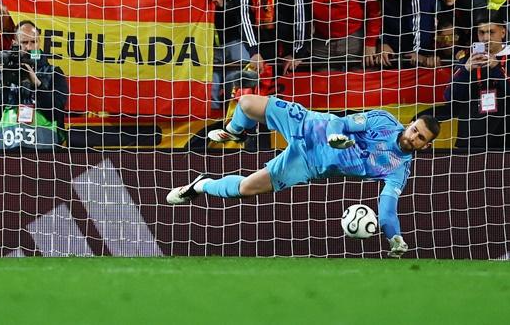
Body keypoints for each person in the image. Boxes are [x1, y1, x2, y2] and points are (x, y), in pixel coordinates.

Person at [168, 93, 440, 259]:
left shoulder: (398, 169)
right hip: (309, 125)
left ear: (425, 145)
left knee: (246, 188)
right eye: (414, 129)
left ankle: (201, 185)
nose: (413, 136)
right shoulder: (384, 121)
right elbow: (340, 122)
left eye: (420, 138)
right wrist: (336, 136)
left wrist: (394, 237)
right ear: (409, 124)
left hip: (307, 164)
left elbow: (388, 209)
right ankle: (236, 130)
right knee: (247, 103)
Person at [436, 9, 510, 151]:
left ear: (503, 32)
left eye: (491, 32)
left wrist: (497, 68)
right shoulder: (467, 62)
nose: (485, 38)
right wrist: (465, 71)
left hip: (506, 144)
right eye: (481, 33)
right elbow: (449, 98)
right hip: (468, 142)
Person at [0, 21, 69, 150]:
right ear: (15, 44)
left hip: (43, 150)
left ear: (39, 42)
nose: (30, 47)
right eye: (24, 43)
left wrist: (37, 84)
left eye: (33, 42)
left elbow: (57, 114)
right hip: (8, 149)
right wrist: (5, 84)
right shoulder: (1, 73)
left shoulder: (54, 72)